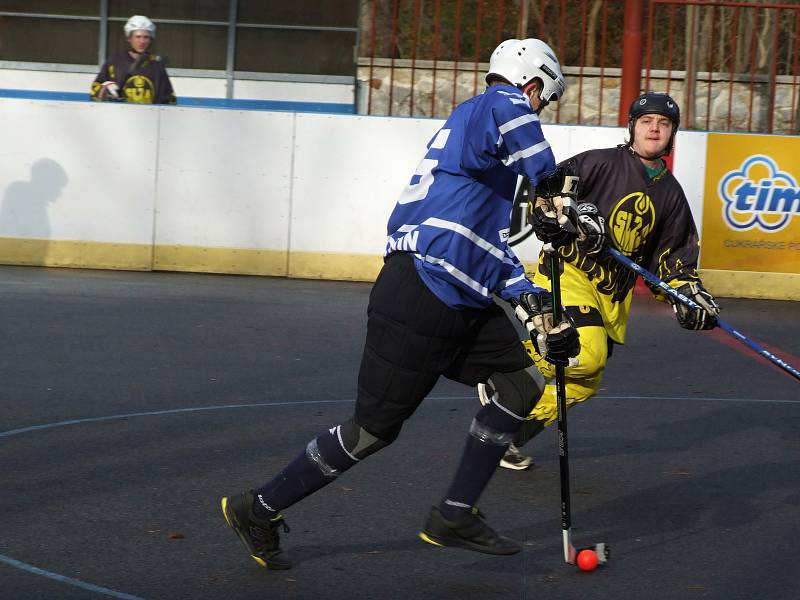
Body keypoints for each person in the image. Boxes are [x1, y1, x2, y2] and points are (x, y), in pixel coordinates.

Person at [220, 38, 582, 570]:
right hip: (420, 292)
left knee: (522, 383)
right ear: (533, 86)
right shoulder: (496, 106)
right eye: (543, 100)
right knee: (371, 431)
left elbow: (485, 246)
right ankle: (259, 507)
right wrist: (555, 186)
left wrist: (533, 302)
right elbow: (521, 132)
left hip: (452, 294)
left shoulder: (484, 166)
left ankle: (455, 513)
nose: (540, 110)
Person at [484, 91, 721, 470]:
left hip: (611, 296)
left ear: (672, 134)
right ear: (632, 128)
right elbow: (547, 189)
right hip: (568, 272)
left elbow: (673, 262)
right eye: (647, 121)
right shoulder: (601, 162)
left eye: (663, 123)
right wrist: (559, 218)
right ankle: (506, 370)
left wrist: (688, 295)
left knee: (582, 383)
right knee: (585, 352)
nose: (654, 128)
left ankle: (504, 435)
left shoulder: (672, 196)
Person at [90, 15, 176, 105]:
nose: (142, 41)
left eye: (146, 37)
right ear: (129, 38)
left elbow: (169, 100)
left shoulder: (157, 65)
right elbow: (95, 90)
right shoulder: (114, 61)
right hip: (118, 116)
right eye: (138, 37)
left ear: (150, 40)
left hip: (149, 116)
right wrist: (105, 90)